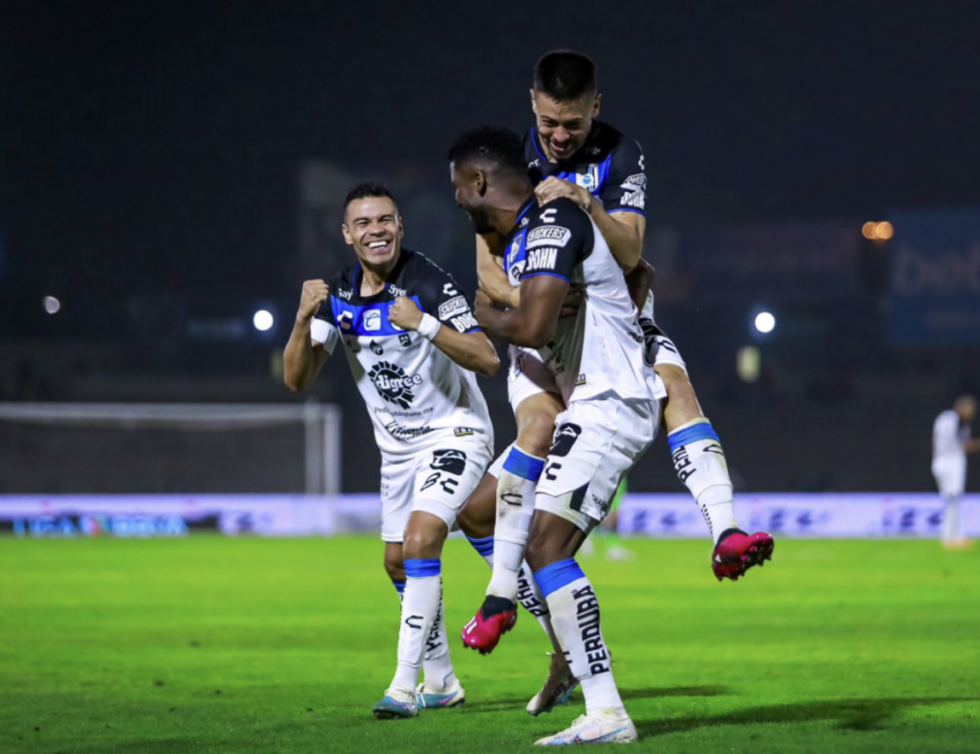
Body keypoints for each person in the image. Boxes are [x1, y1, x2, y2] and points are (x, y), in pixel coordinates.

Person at [457, 50, 773, 708]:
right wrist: (537, 290)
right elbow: (486, 266)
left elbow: (632, 251)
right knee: (529, 440)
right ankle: (530, 623)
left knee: (674, 382)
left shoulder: (620, 154)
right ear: (532, 105)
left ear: (595, 108)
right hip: (548, 328)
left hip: (613, 319)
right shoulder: (511, 162)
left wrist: (585, 205)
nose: (560, 136)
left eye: (572, 123)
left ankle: (724, 532)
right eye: (549, 121)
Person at [450, 124, 663, 745]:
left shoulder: (554, 223)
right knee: (499, 522)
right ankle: (572, 672)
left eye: (458, 187)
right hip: (590, 403)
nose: (457, 199)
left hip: (608, 402)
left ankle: (605, 709)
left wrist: (490, 314)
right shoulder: (527, 231)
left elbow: (533, 325)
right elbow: (640, 273)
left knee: (547, 547)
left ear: (479, 182)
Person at [282, 183, 500, 719]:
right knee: (396, 564)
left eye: (385, 220)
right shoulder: (338, 294)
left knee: (420, 541)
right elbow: (297, 379)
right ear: (347, 234)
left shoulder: (426, 281)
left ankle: (404, 687)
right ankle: (445, 679)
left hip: (456, 432)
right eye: (363, 222)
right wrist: (301, 318)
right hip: (398, 453)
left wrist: (423, 322)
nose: (375, 230)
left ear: (400, 226)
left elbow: (487, 357)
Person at [931, 395, 980, 549]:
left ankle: (952, 536)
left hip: (946, 460)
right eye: (971, 408)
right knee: (952, 499)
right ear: (963, 407)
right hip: (949, 462)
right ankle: (949, 539)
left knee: (953, 499)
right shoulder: (950, 419)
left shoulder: (960, 423)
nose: (972, 412)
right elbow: (961, 445)